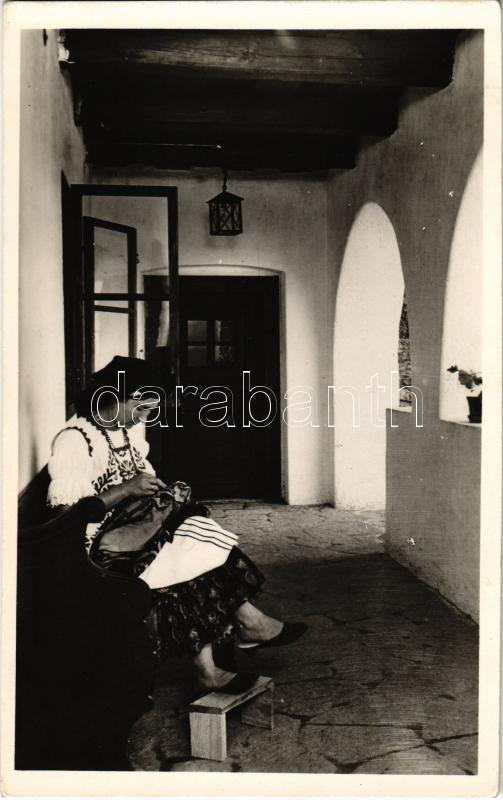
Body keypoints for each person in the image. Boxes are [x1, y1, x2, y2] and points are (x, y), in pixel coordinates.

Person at [47, 356, 306, 695]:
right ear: (119, 397)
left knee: (197, 534)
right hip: (99, 551)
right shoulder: (75, 441)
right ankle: (222, 654)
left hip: (134, 532)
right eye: (142, 408)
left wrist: (158, 494)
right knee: (183, 559)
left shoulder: (120, 431)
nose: (144, 417)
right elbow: (68, 517)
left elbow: (139, 480)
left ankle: (245, 626)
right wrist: (127, 490)